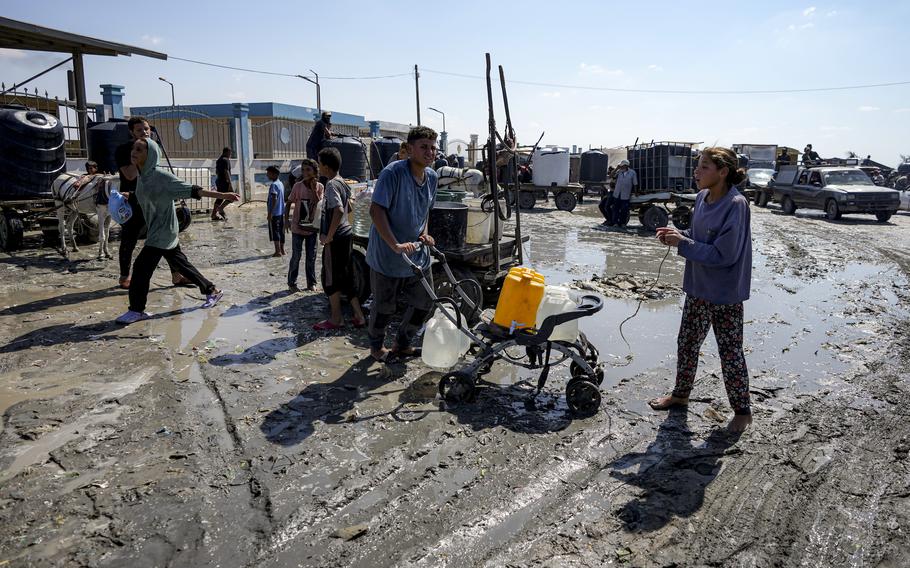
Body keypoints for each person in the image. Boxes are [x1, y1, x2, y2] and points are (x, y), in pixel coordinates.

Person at [649, 146, 753, 433]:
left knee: (730, 352)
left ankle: (742, 412)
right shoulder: (701, 197)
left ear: (723, 172)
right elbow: (701, 238)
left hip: (725, 294)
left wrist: (683, 243)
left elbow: (725, 254)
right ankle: (680, 396)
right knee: (687, 344)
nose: (697, 171)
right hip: (698, 288)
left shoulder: (736, 205)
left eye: (704, 166)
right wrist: (679, 235)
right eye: (698, 166)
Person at [115, 139, 239, 324]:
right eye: (134, 148)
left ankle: (136, 310)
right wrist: (129, 195)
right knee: (181, 264)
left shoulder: (162, 177)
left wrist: (223, 196)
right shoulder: (143, 176)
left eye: (139, 149)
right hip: (157, 229)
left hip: (163, 231)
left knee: (140, 269)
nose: (134, 152)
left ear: (151, 154)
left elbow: (194, 190)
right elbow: (148, 195)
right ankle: (212, 290)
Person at [365, 126, 439, 361]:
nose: (430, 152)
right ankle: (376, 348)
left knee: (424, 302)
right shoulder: (393, 173)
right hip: (388, 254)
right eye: (424, 147)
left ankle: (402, 343)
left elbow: (424, 211)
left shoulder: (432, 178)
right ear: (409, 149)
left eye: (433, 148)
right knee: (385, 306)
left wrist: (424, 234)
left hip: (417, 253)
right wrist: (395, 244)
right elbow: (376, 211)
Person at [116, 116, 191, 289]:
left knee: (170, 236)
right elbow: (129, 175)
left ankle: (177, 275)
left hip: (155, 200)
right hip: (133, 200)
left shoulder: (153, 148)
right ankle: (124, 277)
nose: (145, 132)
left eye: (147, 129)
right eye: (140, 130)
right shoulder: (124, 150)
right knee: (129, 239)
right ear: (131, 132)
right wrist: (140, 157)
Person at [313, 147, 366, 330]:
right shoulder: (342, 182)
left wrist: (328, 235)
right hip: (346, 233)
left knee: (331, 277)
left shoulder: (331, 185)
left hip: (336, 237)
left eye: (319, 164)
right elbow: (350, 208)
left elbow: (339, 209)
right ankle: (359, 316)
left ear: (326, 167)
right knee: (347, 276)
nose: (318, 168)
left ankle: (336, 318)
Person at [285, 158, 323, 292]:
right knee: (296, 256)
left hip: (312, 227)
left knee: (311, 256)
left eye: (308, 170)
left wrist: (314, 190)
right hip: (297, 227)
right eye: (303, 170)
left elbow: (319, 204)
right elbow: (289, 202)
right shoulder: (298, 186)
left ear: (315, 171)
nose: (305, 172)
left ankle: (311, 283)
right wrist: (286, 221)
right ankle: (292, 283)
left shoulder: (320, 187)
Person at [608, 159, 638, 226]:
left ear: (626, 166)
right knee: (615, 208)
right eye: (620, 166)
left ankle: (623, 223)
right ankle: (615, 222)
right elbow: (610, 176)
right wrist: (616, 169)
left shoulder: (632, 173)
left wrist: (635, 192)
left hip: (625, 194)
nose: (621, 167)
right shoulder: (619, 172)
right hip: (617, 194)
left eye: (622, 166)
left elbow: (635, 183)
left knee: (624, 209)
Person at [265, 166, 286, 257]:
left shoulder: (274, 185)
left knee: (275, 231)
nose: (267, 175)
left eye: (268, 173)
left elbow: (274, 198)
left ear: (274, 174)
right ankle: (282, 250)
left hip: (275, 213)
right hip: (281, 212)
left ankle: (277, 251)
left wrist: (270, 213)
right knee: (281, 231)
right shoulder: (280, 183)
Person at [211, 147, 233, 221]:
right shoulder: (226, 160)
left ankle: (213, 215)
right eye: (230, 153)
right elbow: (226, 172)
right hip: (225, 182)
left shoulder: (219, 160)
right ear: (226, 152)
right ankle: (220, 209)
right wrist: (230, 183)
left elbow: (217, 171)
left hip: (219, 181)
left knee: (220, 198)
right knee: (232, 197)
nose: (230, 154)